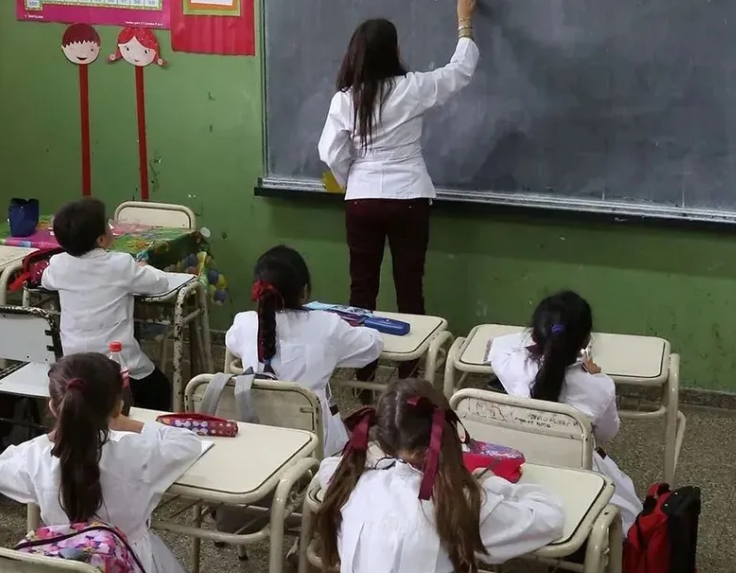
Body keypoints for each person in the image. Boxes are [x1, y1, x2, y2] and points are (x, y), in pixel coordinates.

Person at [318, 0, 478, 387]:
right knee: (410, 289)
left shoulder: (345, 100)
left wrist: (354, 176)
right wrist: (465, 25)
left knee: (362, 291)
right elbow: (459, 72)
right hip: (409, 198)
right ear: (393, 51)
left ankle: (364, 376)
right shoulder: (412, 88)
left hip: (362, 200)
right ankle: (411, 377)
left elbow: (329, 152)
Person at [315, 379, 565, 573]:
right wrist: (493, 484)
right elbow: (550, 518)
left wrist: (375, 459)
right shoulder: (460, 502)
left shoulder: (351, 484)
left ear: (382, 439)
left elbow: (328, 466)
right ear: (448, 434)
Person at [0, 353, 202, 573]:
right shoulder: (136, 453)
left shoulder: (36, 458)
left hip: (62, 562)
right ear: (117, 407)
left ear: (53, 407)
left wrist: (53, 435)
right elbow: (188, 443)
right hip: (129, 560)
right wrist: (126, 423)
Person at [486, 290, 644, 533]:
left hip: (519, 470)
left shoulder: (514, 366)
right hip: (576, 474)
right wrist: (595, 375)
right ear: (585, 341)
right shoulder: (599, 386)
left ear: (535, 336)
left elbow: (497, 351)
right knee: (628, 500)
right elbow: (607, 434)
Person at [225, 245, 382, 456]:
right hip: (318, 449)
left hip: (259, 441)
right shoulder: (328, 326)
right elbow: (372, 347)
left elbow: (231, 342)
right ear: (305, 291)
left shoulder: (244, 323)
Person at [42, 198, 173, 410]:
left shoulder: (58, 264)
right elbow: (159, 284)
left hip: (73, 362)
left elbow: (45, 280)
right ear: (102, 239)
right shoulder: (120, 264)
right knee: (159, 388)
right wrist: (144, 266)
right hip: (118, 362)